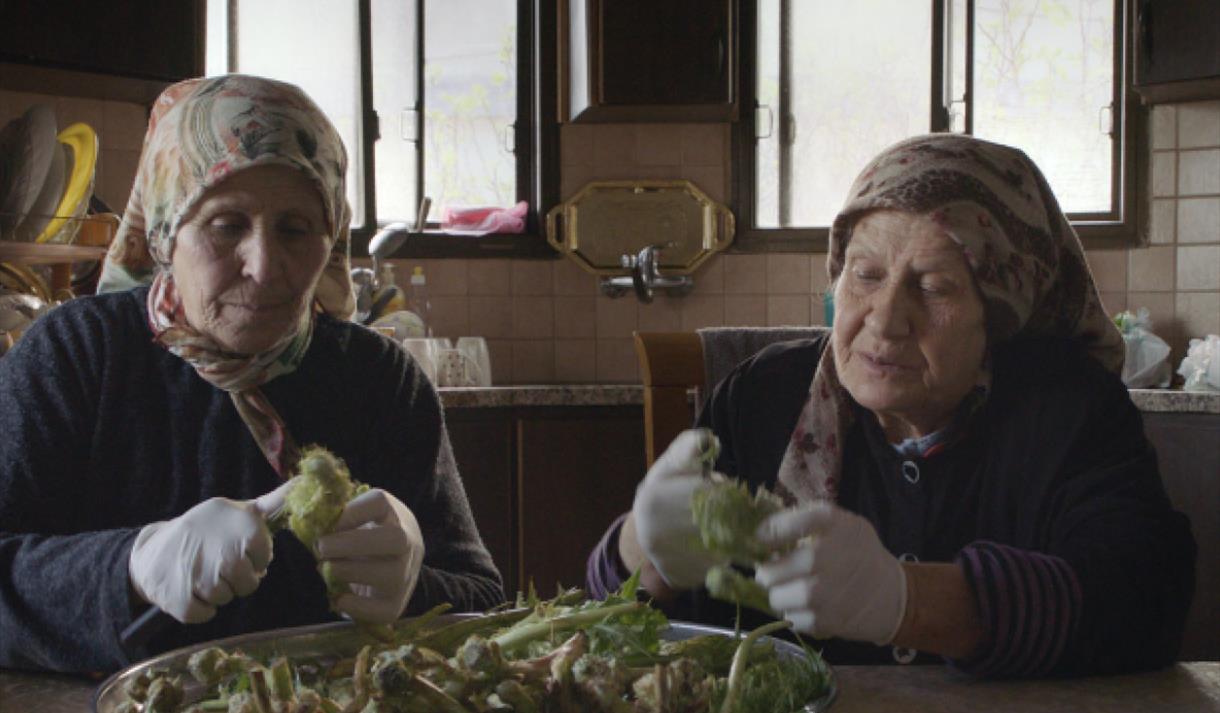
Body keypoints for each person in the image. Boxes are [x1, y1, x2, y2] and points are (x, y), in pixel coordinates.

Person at [588, 133, 1196, 678]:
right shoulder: (760, 395)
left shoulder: (1067, 409)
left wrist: (907, 601)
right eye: (865, 274)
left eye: (933, 288)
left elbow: (1143, 603)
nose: (885, 320)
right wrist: (639, 553)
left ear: (1002, 313)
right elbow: (605, 625)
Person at [0, 75, 502, 674]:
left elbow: (484, 605)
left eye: (295, 229)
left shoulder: (379, 381)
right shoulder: (77, 354)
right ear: (165, 232)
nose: (265, 268)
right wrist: (133, 566)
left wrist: (413, 586)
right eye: (226, 224)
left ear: (332, 238)